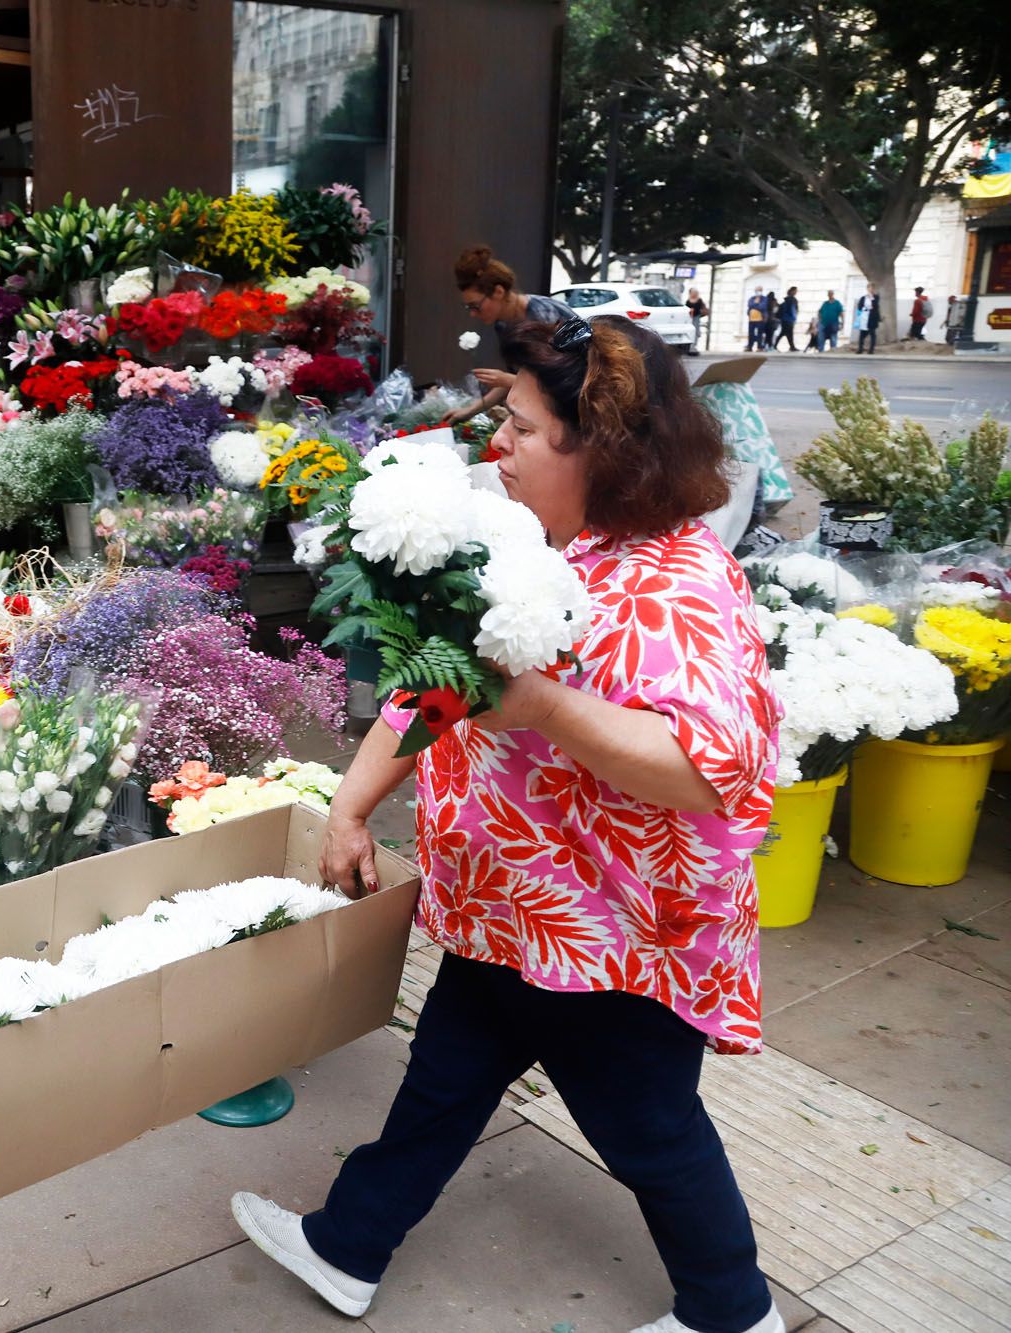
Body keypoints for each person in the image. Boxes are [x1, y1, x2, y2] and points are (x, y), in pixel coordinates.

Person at [229, 312, 786, 1333]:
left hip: (610, 938)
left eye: (523, 430)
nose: (498, 447)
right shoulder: (527, 545)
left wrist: (545, 709)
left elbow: (714, 770)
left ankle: (728, 1308)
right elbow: (437, 682)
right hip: (512, 912)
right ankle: (346, 1243)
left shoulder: (674, 586)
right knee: (445, 1075)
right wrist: (349, 804)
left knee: (649, 1128)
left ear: (605, 449)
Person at [443, 245, 576, 420]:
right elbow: (522, 378)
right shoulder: (503, 324)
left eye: (475, 306)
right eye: (469, 307)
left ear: (498, 292)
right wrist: (468, 412)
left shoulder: (542, 316)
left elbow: (558, 382)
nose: (473, 313)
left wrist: (506, 379)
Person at [772, 287, 798, 351]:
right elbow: (793, 310)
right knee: (786, 333)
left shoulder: (786, 300)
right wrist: (794, 318)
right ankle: (791, 347)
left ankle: (791, 346)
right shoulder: (792, 300)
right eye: (795, 291)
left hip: (785, 319)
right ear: (792, 291)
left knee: (786, 333)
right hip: (788, 319)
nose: (796, 292)